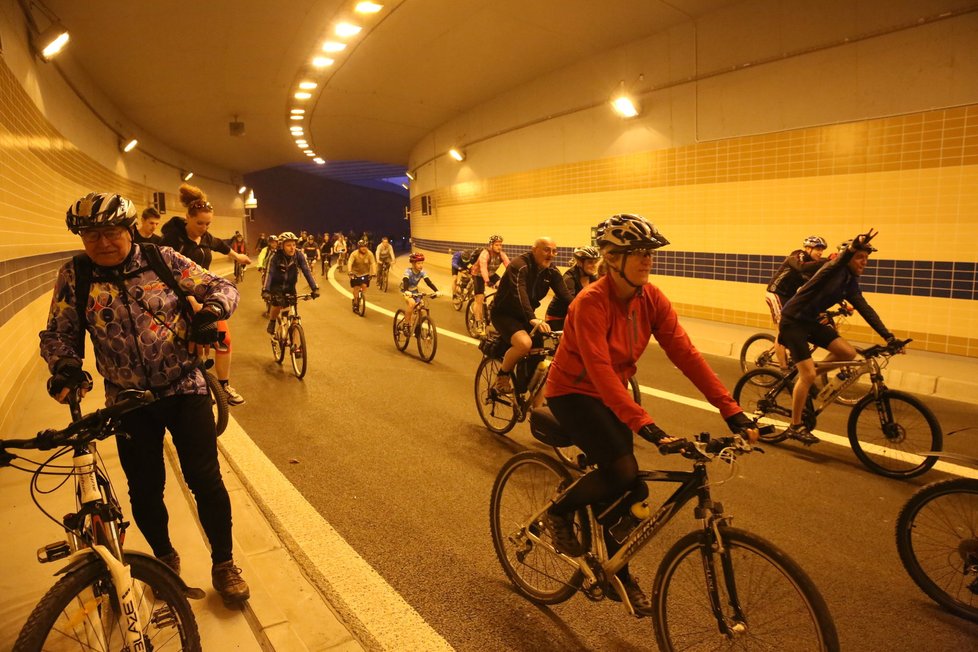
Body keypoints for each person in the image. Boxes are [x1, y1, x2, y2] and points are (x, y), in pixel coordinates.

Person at [40, 192, 250, 605]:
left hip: (184, 387)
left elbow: (221, 287)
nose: (102, 242)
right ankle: (164, 563)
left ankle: (224, 564)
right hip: (128, 399)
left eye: (111, 232)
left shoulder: (162, 260)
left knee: (205, 481)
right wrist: (65, 365)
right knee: (145, 488)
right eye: (91, 235)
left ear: (129, 230)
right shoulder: (76, 275)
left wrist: (208, 314)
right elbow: (58, 332)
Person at [543, 213, 757, 614]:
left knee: (632, 492)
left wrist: (732, 412)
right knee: (623, 472)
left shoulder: (651, 298)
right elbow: (601, 372)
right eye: (637, 253)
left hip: (610, 394)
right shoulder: (590, 303)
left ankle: (614, 568)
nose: (647, 260)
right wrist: (648, 427)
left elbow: (687, 356)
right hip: (572, 392)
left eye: (649, 253)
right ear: (610, 257)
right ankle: (560, 510)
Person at [778, 229, 900, 445]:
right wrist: (853, 246)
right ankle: (794, 426)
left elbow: (866, 309)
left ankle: (808, 374)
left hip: (811, 321)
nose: (865, 262)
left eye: (867, 258)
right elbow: (838, 262)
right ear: (848, 257)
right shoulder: (831, 270)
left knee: (848, 352)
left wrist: (889, 337)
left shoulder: (850, 282)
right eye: (860, 257)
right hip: (793, 321)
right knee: (806, 375)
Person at [160, 183, 251, 406]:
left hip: (203, 298)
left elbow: (220, 245)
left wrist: (237, 257)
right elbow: (164, 273)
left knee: (223, 340)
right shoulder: (173, 240)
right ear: (187, 218)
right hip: (176, 299)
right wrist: (188, 298)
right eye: (199, 223)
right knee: (187, 346)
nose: (203, 228)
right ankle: (190, 387)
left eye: (207, 224)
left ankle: (222, 385)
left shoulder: (205, 237)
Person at [490, 237, 574, 395]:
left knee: (539, 361)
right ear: (534, 249)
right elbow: (519, 294)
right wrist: (531, 317)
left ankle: (532, 405)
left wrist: (587, 315)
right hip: (504, 314)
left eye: (554, 251)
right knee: (524, 344)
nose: (551, 254)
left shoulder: (551, 271)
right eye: (546, 250)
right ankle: (503, 375)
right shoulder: (519, 266)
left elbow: (567, 298)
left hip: (527, 316)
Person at [764, 236, 828, 369]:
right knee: (784, 329)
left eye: (822, 250)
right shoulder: (797, 255)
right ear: (808, 248)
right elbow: (801, 267)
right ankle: (784, 368)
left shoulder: (813, 265)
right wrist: (827, 261)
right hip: (776, 293)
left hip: (789, 297)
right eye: (818, 249)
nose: (820, 253)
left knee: (799, 323)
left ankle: (792, 350)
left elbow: (818, 287)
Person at [263, 231, 319, 334]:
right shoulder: (275, 256)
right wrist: (266, 290)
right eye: (288, 245)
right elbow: (269, 273)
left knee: (293, 314)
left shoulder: (299, 255)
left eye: (294, 244)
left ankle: (295, 344)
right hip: (276, 286)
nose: (292, 247)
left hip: (290, 286)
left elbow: (307, 271)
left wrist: (314, 288)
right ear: (281, 246)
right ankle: (272, 321)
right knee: (277, 305)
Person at [545, 245, 600, 331]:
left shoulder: (592, 278)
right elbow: (572, 303)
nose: (594, 265)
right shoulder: (569, 279)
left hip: (575, 316)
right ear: (580, 263)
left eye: (595, 262)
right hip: (557, 318)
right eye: (590, 262)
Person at [470, 235, 511, 336]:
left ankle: (492, 307)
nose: (499, 247)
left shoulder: (501, 254)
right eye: (497, 245)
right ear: (491, 245)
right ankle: (478, 322)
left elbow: (510, 267)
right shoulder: (485, 254)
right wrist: (487, 282)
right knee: (479, 298)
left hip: (491, 274)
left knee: (503, 289)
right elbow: (483, 268)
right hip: (478, 275)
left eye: (500, 245)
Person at [399, 252, 439, 332]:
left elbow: (428, 282)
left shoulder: (422, 272)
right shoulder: (408, 271)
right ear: (413, 264)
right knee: (412, 304)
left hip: (414, 291)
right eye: (418, 263)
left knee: (422, 308)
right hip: (406, 290)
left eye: (422, 263)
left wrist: (436, 291)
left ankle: (415, 325)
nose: (421, 265)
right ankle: (406, 325)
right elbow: (405, 280)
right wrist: (407, 291)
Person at [347, 239, 376, 311]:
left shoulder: (369, 254)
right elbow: (350, 262)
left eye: (365, 246)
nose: (364, 248)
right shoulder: (354, 254)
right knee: (356, 288)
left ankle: (361, 297)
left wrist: (374, 273)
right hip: (355, 273)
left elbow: (373, 263)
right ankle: (355, 301)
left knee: (364, 286)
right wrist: (350, 271)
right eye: (362, 247)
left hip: (365, 273)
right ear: (359, 247)